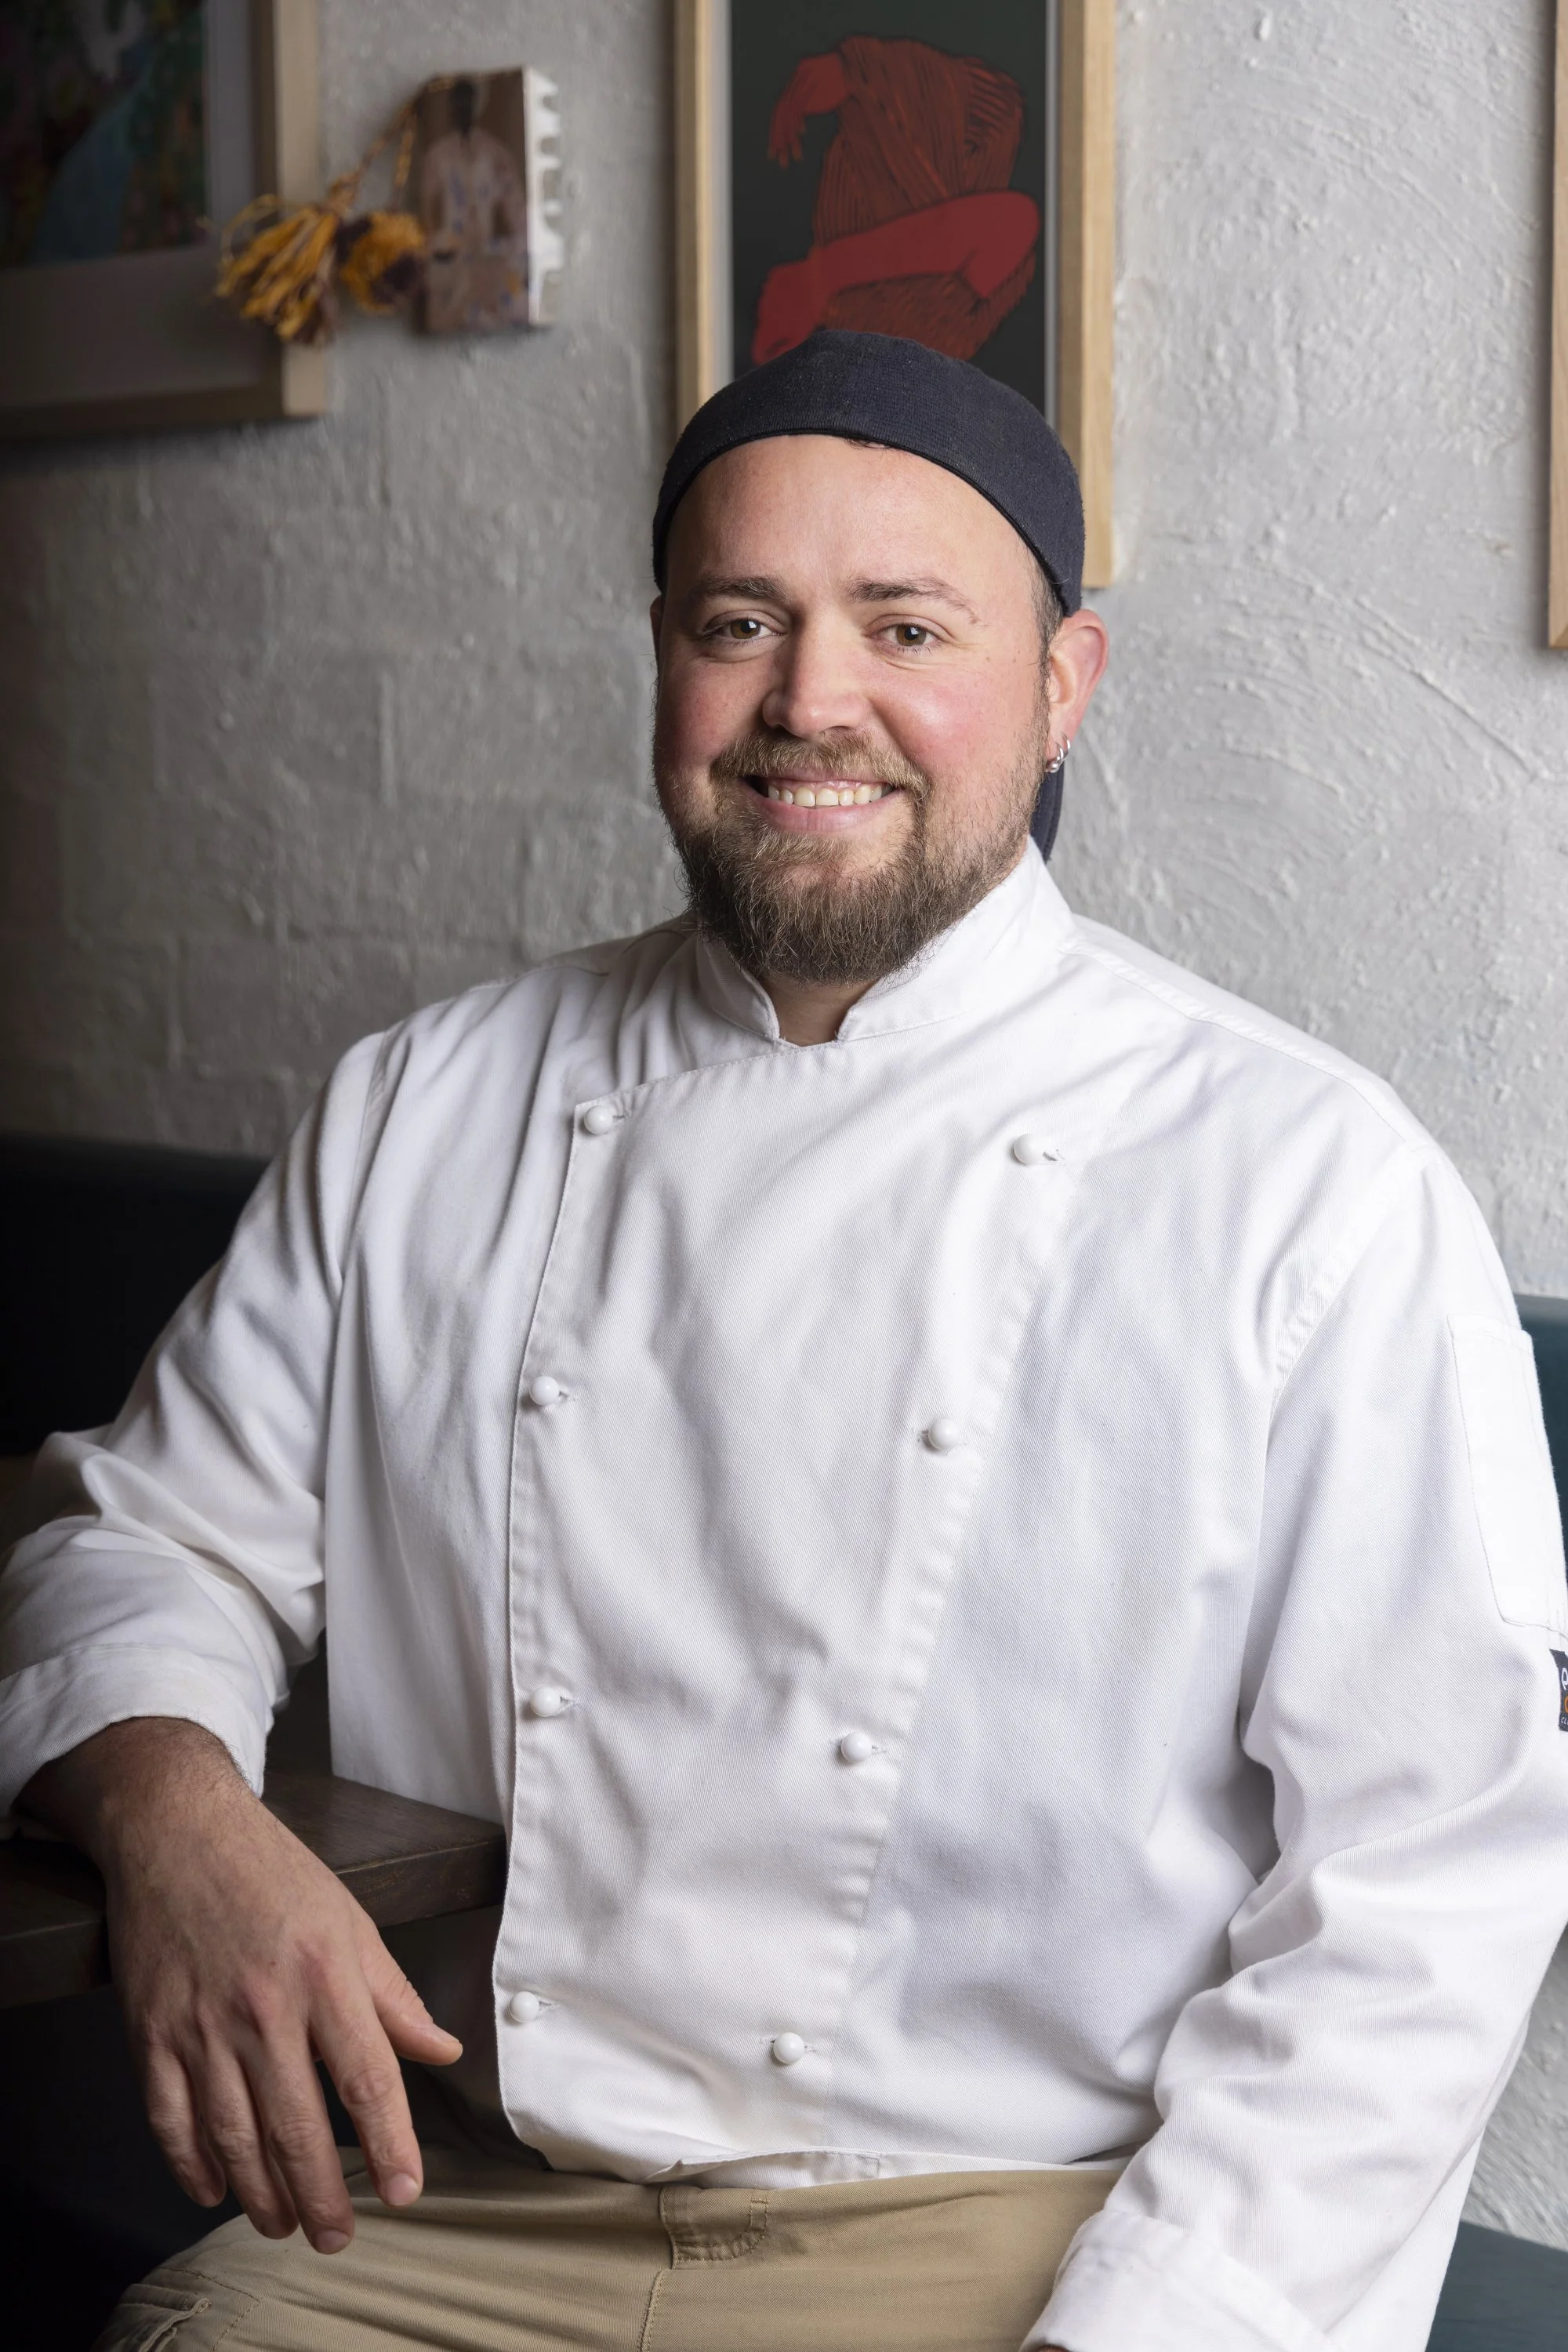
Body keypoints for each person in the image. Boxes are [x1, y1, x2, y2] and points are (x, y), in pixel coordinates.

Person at [3, 330, 1567, 2352]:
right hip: (456, 2206)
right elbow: (137, 1537)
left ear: (1065, 687)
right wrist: (183, 1826)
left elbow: (1425, 1880)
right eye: (741, 621)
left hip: (1024, 2221)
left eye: (906, 625)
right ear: (663, 661)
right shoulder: (426, 1104)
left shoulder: (1304, 1181)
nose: (813, 702)